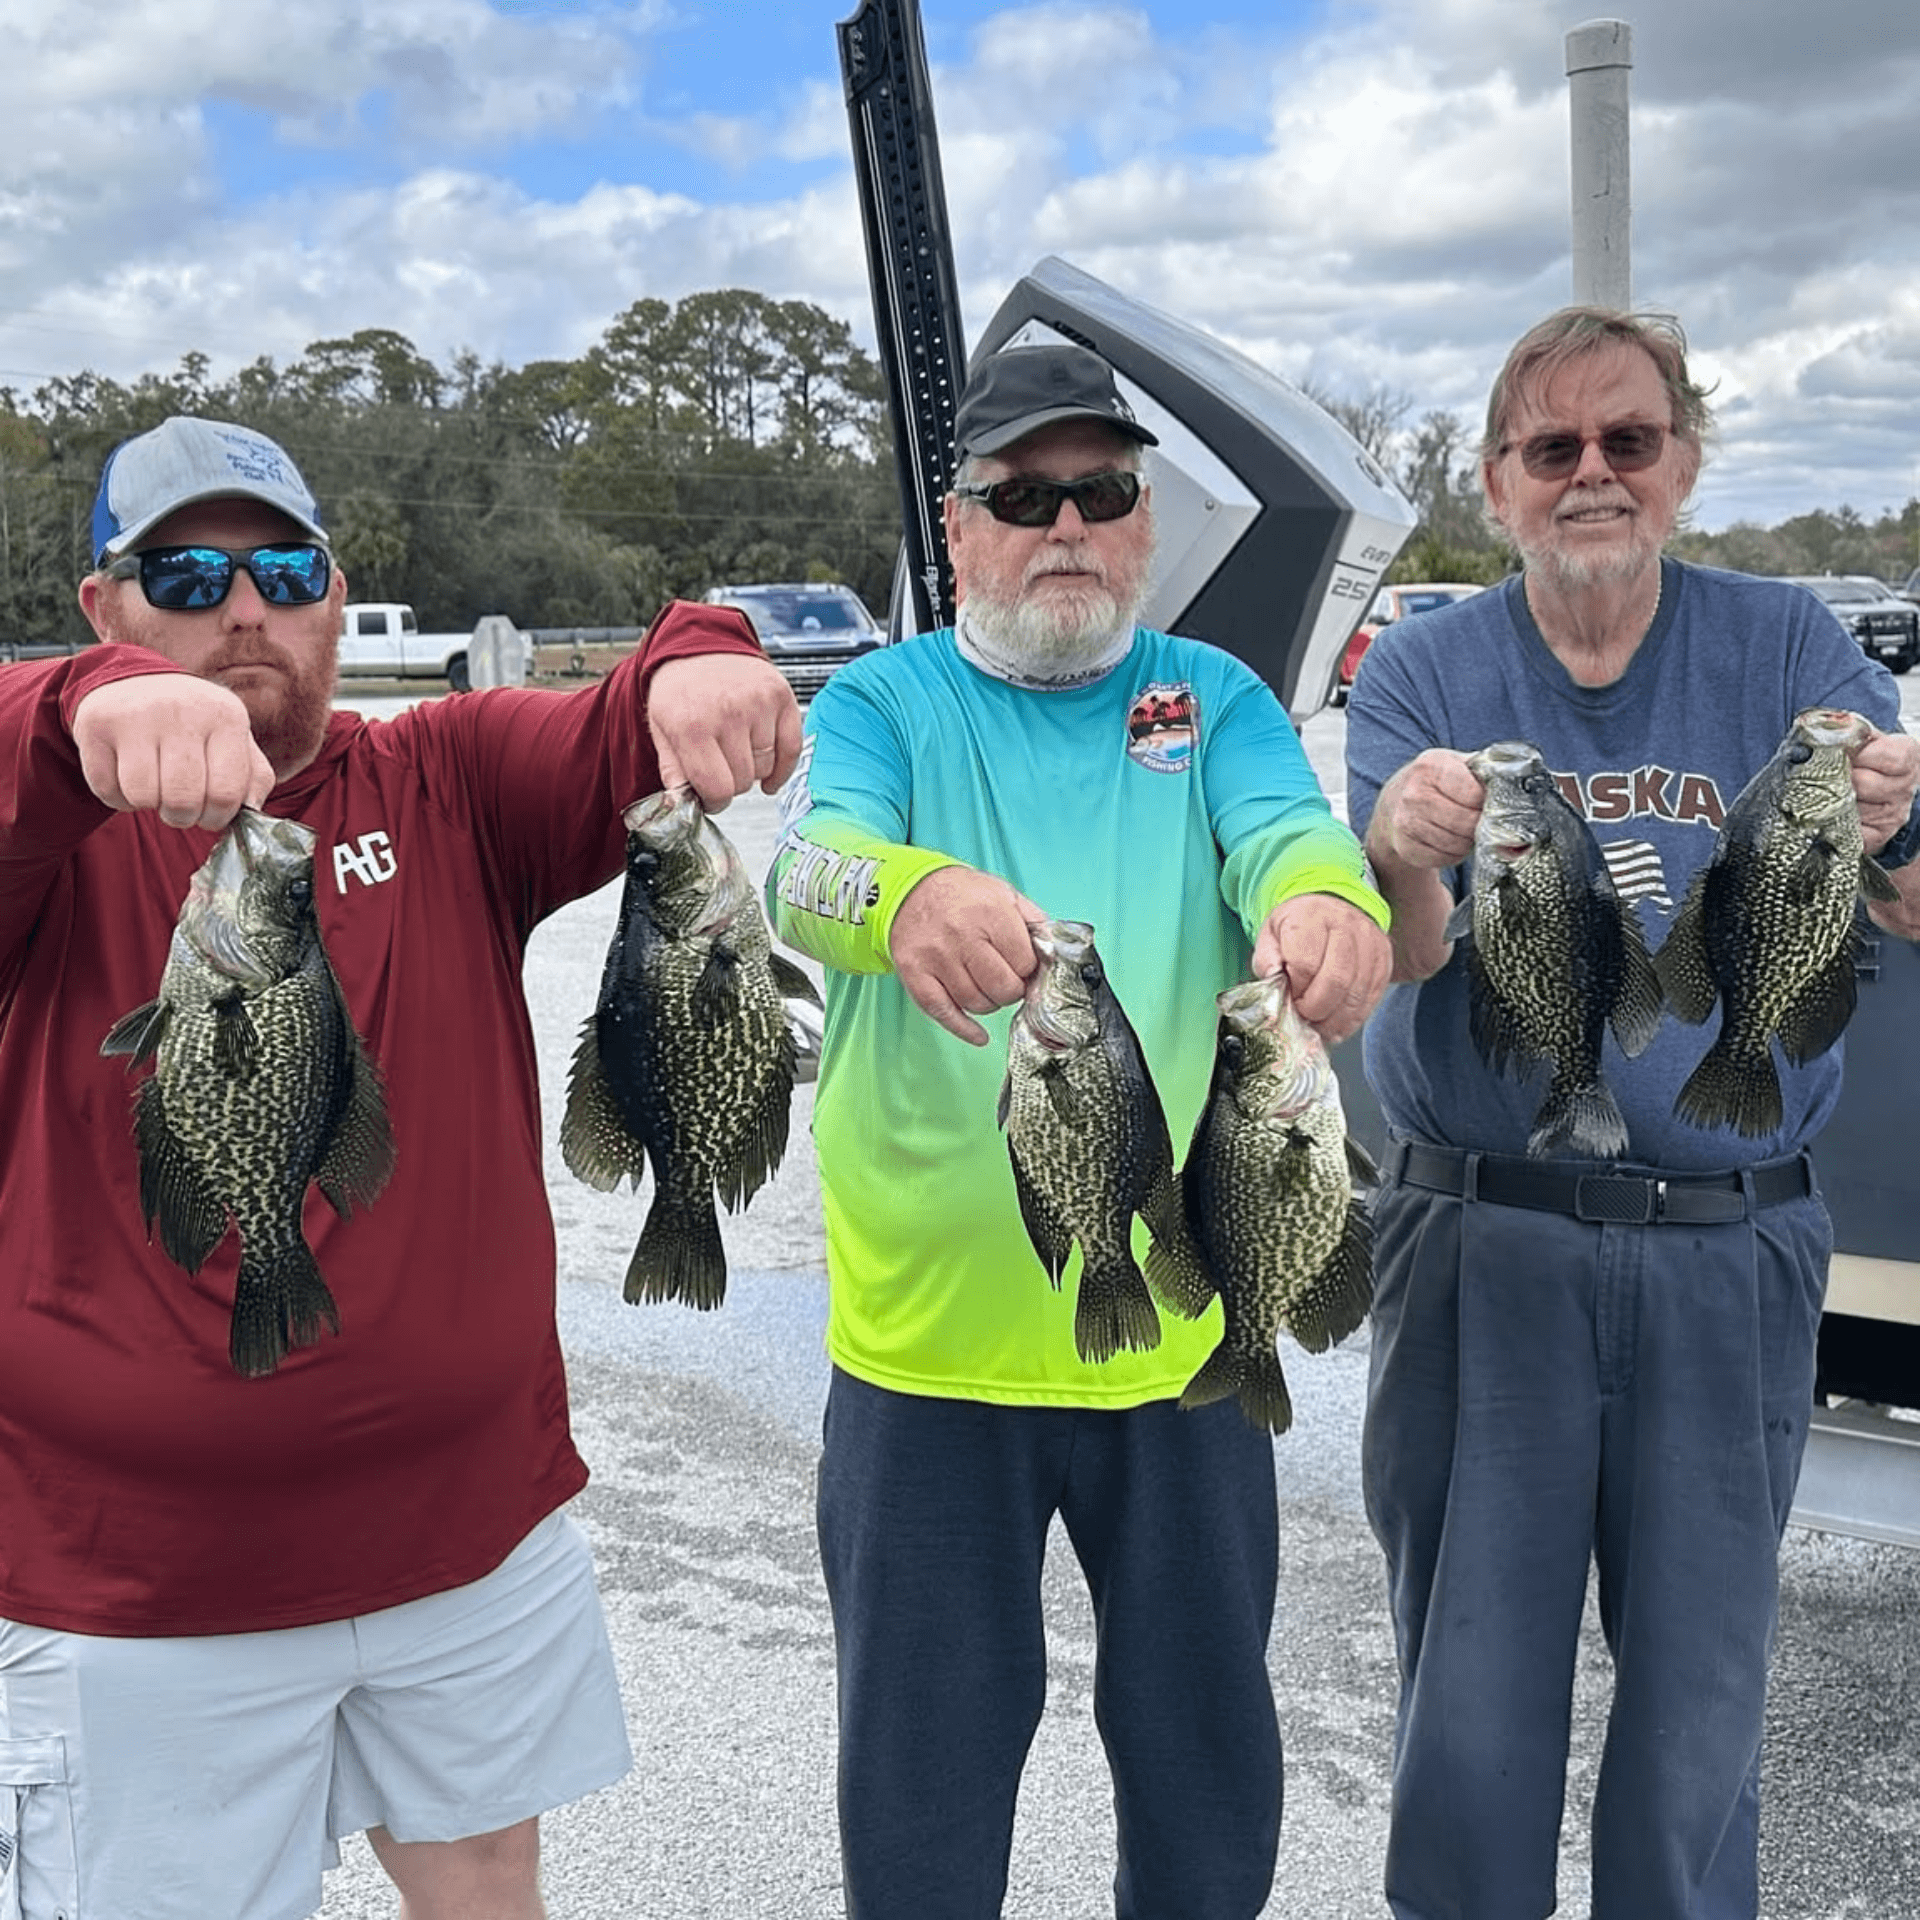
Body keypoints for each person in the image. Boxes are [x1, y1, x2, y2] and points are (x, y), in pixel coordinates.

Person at [0, 414, 803, 1920]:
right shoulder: (51, 813)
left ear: (331, 592)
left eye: (282, 567)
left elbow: (630, 710)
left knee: (494, 1884)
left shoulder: (438, 780)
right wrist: (73, 716)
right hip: (139, 1585)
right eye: (182, 574)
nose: (241, 608)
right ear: (103, 613)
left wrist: (702, 646)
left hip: (469, 1533)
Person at [766, 340, 1393, 1918]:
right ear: (957, 531)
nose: (1066, 525)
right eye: (1022, 494)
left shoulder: (1214, 696)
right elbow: (804, 870)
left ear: (1142, 526)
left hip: (1184, 1331)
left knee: (1202, 1772)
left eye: (1101, 493)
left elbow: (1291, 834)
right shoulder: (884, 704)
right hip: (925, 1361)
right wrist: (909, 895)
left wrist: (1331, 911)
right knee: (922, 1788)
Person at [1345, 306, 1920, 1920]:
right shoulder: (1428, 668)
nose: (1593, 472)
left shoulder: (1795, 650)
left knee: (1697, 1732)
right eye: (1553, 449)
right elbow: (1402, 949)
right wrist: (1398, 839)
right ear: (1495, 481)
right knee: (1465, 1730)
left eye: (1630, 442)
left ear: (1681, 466)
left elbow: (1914, 903)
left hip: (1731, 1254)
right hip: (1480, 1238)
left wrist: (1897, 811)